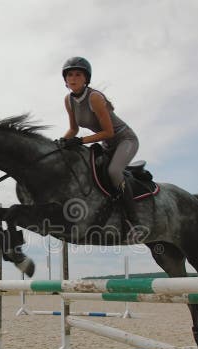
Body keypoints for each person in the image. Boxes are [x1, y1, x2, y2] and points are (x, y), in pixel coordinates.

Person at [58, 56, 141, 234]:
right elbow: (73, 129)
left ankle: (134, 221)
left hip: (125, 140)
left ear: (86, 78)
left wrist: (80, 141)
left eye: (78, 74)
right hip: (107, 145)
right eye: (70, 75)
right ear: (65, 79)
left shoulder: (94, 97)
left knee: (113, 171)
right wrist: (60, 142)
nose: (73, 78)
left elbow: (109, 133)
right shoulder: (68, 100)